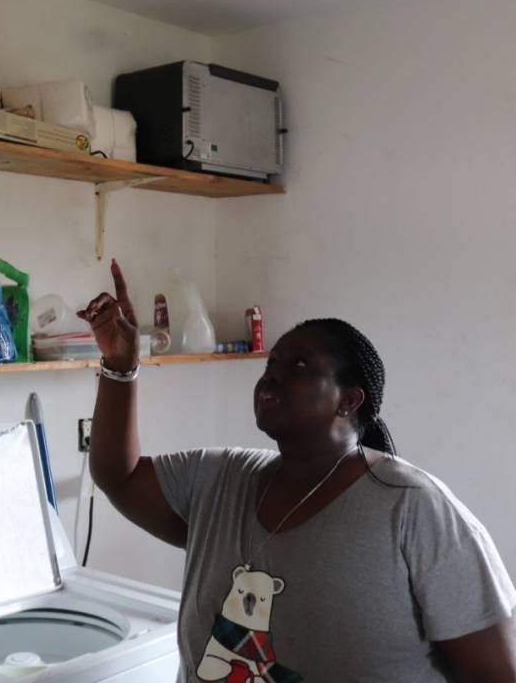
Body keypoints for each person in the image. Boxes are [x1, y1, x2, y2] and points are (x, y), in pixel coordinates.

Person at [82, 260, 516, 683]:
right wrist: (121, 365)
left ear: (349, 400)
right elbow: (118, 477)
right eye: (271, 365)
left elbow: (491, 671)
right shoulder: (219, 478)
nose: (272, 378)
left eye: (300, 367)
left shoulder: (413, 509)